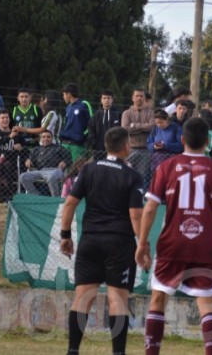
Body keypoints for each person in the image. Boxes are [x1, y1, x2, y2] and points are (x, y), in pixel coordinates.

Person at [136, 117, 212, 355]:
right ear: (207, 142)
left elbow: (150, 208)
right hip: (205, 245)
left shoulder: (167, 166)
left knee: (158, 299)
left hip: (172, 243)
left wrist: (142, 243)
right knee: (207, 304)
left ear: (182, 140)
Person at [59, 127, 144, 355]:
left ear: (106, 146)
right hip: (120, 243)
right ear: (127, 146)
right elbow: (135, 215)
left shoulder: (88, 170)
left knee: (83, 297)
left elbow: (69, 204)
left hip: (90, 240)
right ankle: (118, 353)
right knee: (118, 300)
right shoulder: (132, 175)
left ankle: (73, 350)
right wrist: (143, 243)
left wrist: (65, 236)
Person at [0, 109, 23, 203]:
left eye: (7, 117)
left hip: (11, 159)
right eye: (2, 118)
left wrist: (20, 148)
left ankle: (8, 194)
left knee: (8, 165)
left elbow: (23, 148)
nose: (5, 120)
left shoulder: (17, 133)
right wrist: (9, 137)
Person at [19, 130, 72, 196]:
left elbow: (69, 159)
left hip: (54, 170)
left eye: (48, 137)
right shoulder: (36, 149)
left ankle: (55, 199)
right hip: (39, 171)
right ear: (40, 138)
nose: (46, 138)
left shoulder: (59, 148)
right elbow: (30, 160)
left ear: (52, 138)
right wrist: (28, 161)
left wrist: (64, 162)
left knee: (51, 178)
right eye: (43, 137)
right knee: (23, 177)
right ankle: (37, 196)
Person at [122, 88, 154, 186]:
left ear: (144, 98)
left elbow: (151, 127)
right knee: (126, 174)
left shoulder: (150, 113)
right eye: (137, 96)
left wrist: (134, 125)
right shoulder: (126, 113)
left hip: (145, 150)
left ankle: (140, 197)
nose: (139, 98)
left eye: (141, 96)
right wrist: (143, 126)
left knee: (142, 176)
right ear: (132, 98)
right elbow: (125, 129)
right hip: (129, 149)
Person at [59, 83, 92, 163]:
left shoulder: (84, 104)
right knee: (64, 168)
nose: (63, 97)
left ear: (69, 94)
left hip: (77, 144)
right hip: (65, 144)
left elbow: (92, 123)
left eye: (64, 95)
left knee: (76, 168)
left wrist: (83, 135)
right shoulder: (68, 107)